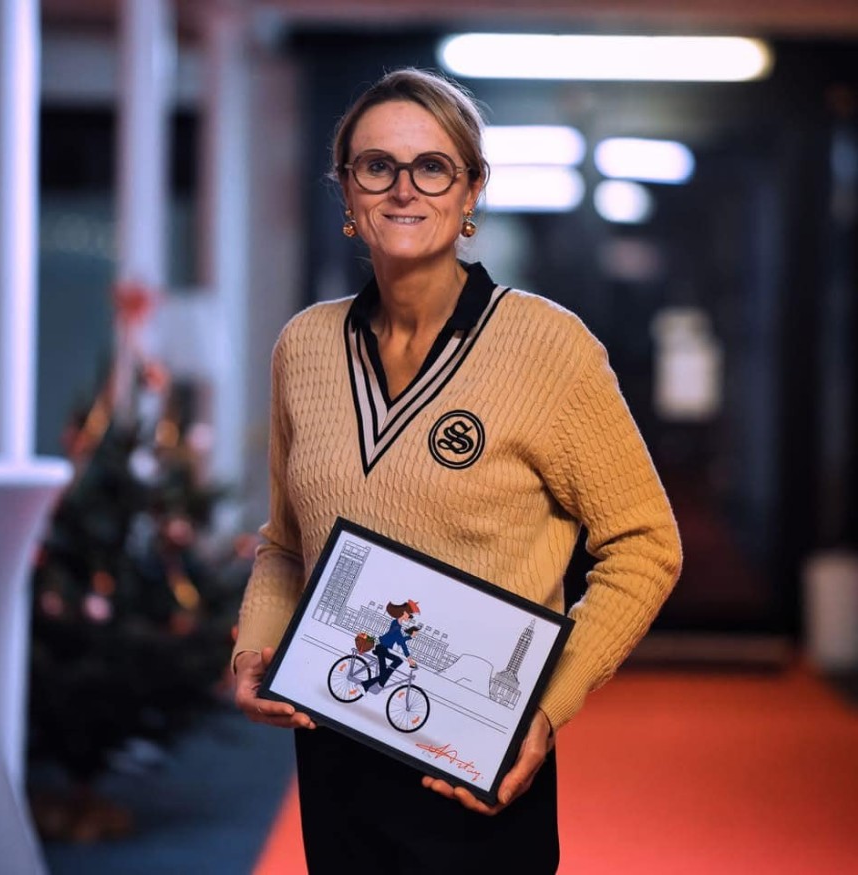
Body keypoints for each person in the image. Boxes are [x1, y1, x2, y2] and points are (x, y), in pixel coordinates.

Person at [233, 67, 682, 873]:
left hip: (478, 763)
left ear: (471, 189)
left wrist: (545, 707)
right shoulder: (304, 347)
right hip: (332, 749)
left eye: (432, 167)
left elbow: (646, 544)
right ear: (347, 190)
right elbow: (285, 544)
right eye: (377, 166)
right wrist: (253, 650)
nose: (403, 188)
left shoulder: (549, 348)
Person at [361, 600, 420, 693]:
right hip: (381, 649)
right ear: (404, 612)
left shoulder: (397, 625)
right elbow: (401, 641)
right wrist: (410, 637)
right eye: (409, 615)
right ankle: (365, 685)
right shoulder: (396, 626)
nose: (409, 618)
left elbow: (400, 641)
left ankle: (380, 684)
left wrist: (409, 657)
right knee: (386, 672)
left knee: (393, 665)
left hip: (383, 649)